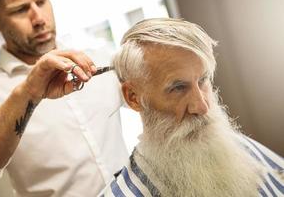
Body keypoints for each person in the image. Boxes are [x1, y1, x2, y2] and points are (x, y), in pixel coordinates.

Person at [99, 18, 284, 197]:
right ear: (133, 98)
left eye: (203, 80)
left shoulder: (241, 151)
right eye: (178, 88)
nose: (202, 106)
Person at [0, 0, 128, 196]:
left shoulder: (99, 58)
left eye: (41, 2)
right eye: (21, 9)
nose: (39, 19)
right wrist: (28, 92)